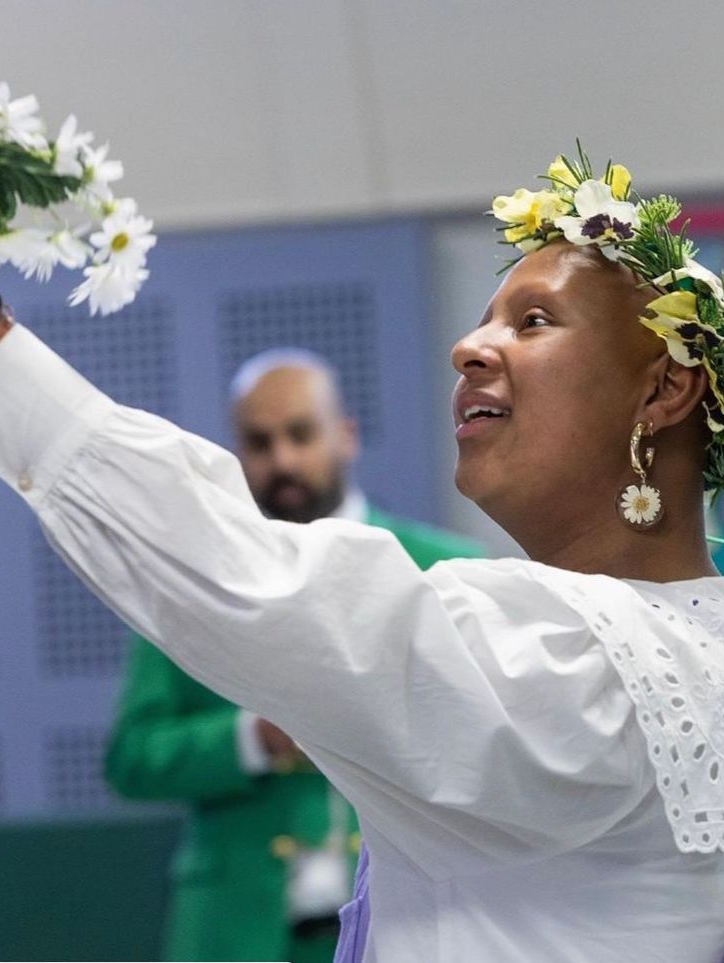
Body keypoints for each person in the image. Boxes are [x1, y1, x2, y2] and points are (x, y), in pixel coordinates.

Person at [0, 146, 724, 963]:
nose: (469, 347)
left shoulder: (585, 663)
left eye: (532, 320)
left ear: (665, 390)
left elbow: (253, 583)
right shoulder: (708, 645)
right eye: (486, 317)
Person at [103, 348, 483, 962]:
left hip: (410, 918)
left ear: (346, 436)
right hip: (235, 929)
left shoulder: (447, 568)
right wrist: (258, 736)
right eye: (259, 441)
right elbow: (131, 757)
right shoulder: (189, 582)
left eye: (300, 434)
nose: (282, 459)